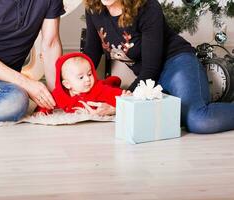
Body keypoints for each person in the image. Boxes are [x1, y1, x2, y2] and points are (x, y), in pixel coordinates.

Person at [83, 0, 234, 133]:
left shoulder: (147, 7)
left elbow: (150, 69)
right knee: (171, 118)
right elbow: (92, 53)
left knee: (197, 120)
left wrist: (119, 103)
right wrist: (70, 83)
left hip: (176, 64)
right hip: (150, 81)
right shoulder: (93, 8)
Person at [36, 52, 131, 115]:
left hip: (103, 88)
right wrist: (42, 111)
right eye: (81, 77)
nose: (87, 79)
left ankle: (111, 81)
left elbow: (113, 94)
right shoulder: (60, 95)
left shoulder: (97, 89)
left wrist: (124, 96)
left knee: (106, 86)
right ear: (67, 84)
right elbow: (47, 102)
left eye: (89, 74)